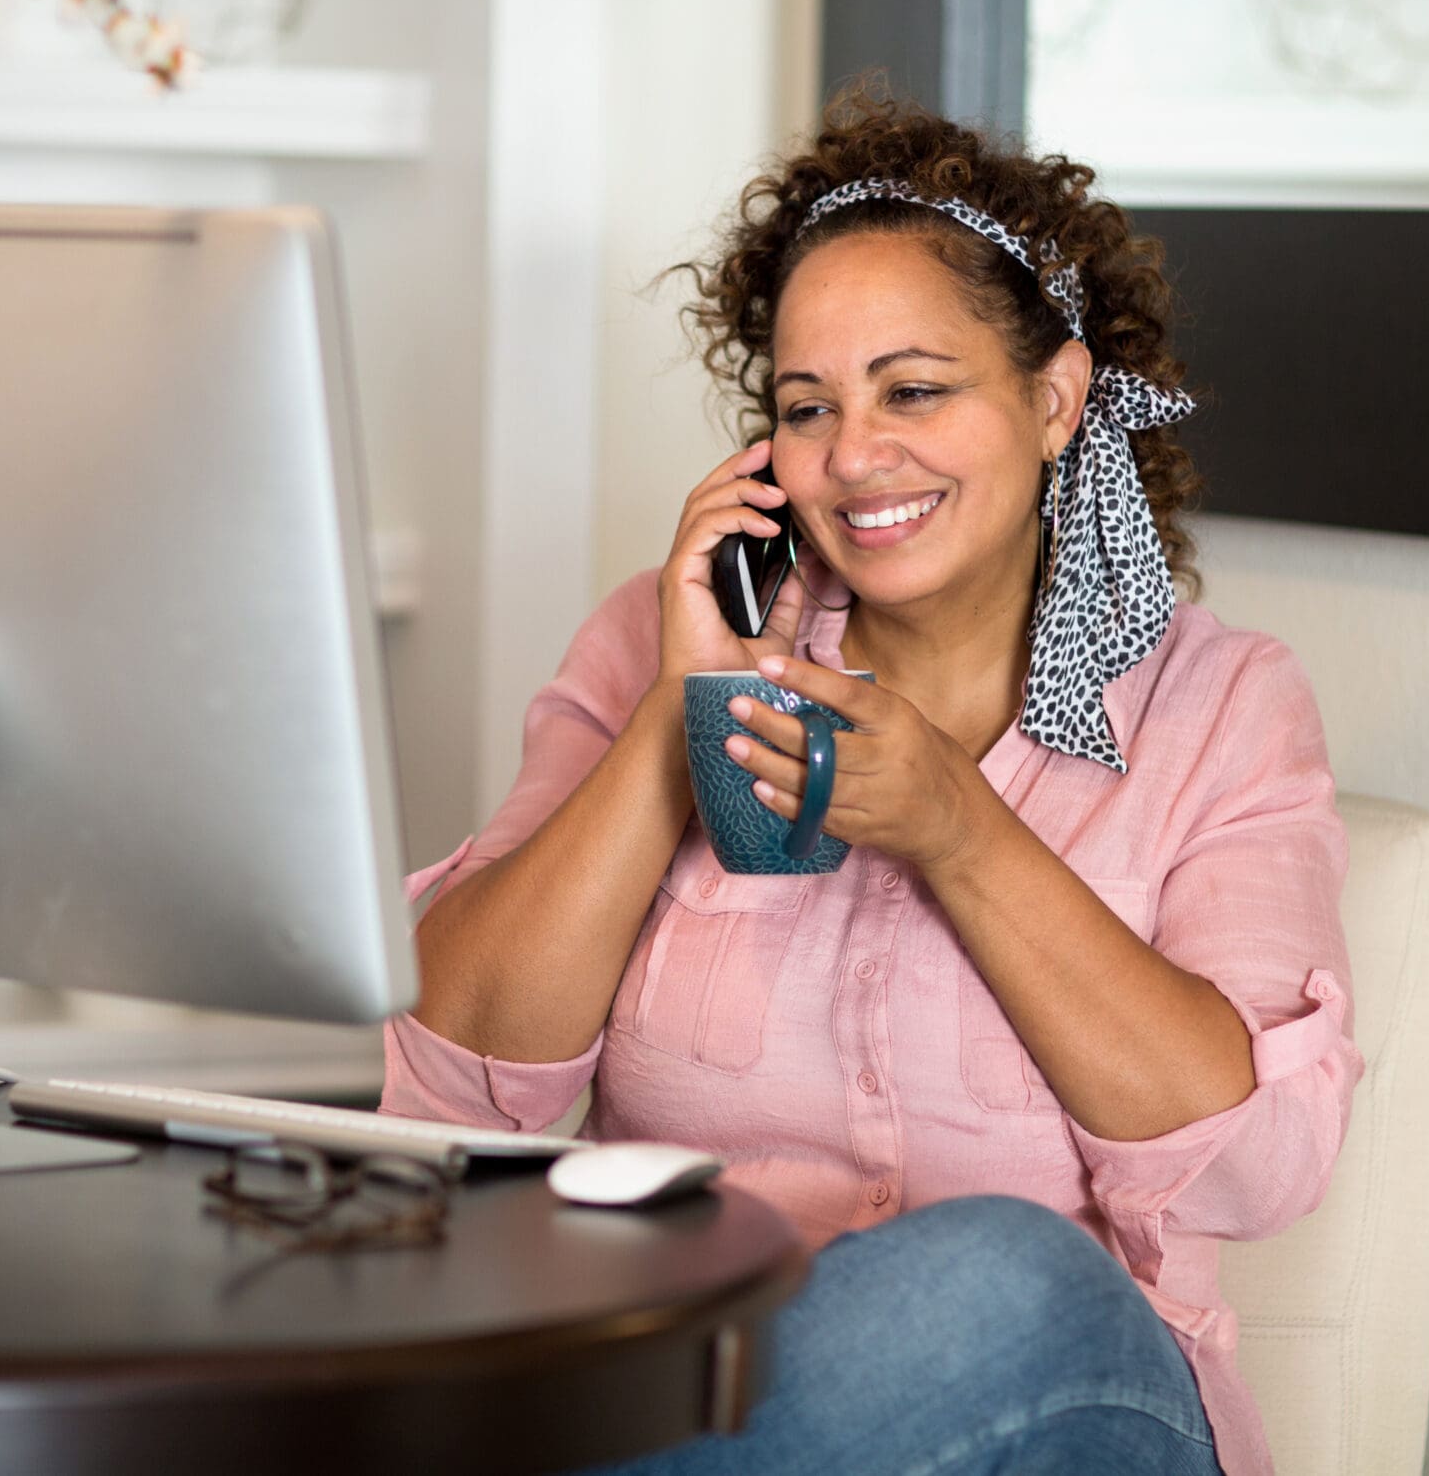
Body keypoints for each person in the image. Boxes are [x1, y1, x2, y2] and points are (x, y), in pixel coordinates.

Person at [380, 87, 1362, 1476]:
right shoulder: (657, 644)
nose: (853, 456)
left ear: (1054, 397)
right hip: (685, 1371)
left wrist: (959, 832)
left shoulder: (1223, 710)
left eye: (914, 390)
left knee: (998, 1278)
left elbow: (1259, 1170)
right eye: (805, 407)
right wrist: (681, 713)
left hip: (1070, 1414)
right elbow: (451, 1092)